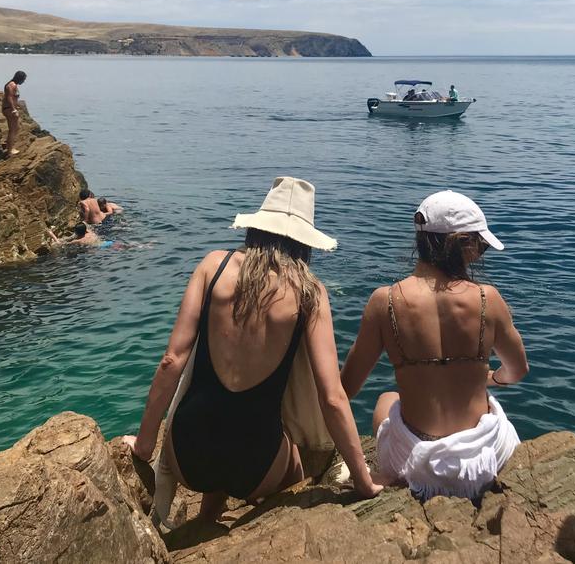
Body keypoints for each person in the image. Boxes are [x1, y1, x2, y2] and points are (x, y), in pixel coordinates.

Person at [124, 176, 382, 521]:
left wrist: (144, 446)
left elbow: (171, 361)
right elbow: (332, 396)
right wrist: (364, 481)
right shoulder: (309, 292)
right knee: (314, 463)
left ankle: (206, 519)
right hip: (256, 467)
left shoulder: (212, 266)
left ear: (257, 228)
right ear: (305, 242)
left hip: (189, 455)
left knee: (218, 424)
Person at [341, 190, 528, 502]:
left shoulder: (383, 301)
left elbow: (345, 388)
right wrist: (492, 379)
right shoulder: (488, 298)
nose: (480, 255)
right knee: (489, 405)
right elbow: (518, 370)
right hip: (483, 459)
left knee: (387, 399)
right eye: (480, 247)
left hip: (414, 465)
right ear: (464, 244)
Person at [2, 71, 27, 155]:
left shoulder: (11, 84)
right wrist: (14, 109)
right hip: (9, 109)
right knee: (13, 129)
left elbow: (13, 98)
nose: (23, 81)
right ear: (19, 78)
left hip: (9, 108)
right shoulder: (12, 85)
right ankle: (10, 150)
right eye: (23, 79)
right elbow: (9, 97)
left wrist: (17, 106)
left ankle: (9, 145)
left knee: (15, 129)